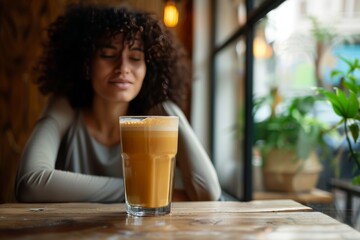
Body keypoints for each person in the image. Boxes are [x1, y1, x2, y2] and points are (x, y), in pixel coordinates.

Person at [15, 3, 221, 203]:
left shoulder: (159, 115)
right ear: (85, 63)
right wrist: (146, 193)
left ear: (149, 69)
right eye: (108, 55)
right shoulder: (65, 108)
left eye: (135, 57)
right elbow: (30, 183)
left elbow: (208, 191)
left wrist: (167, 108)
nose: (123, 67)